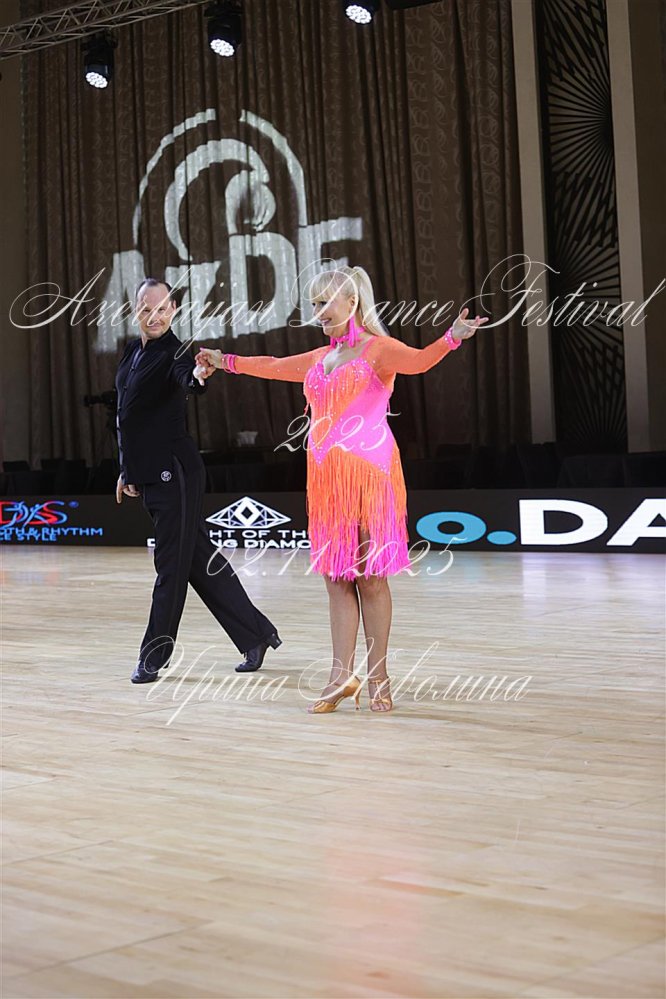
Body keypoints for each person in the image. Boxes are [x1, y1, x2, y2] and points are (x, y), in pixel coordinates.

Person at [196, 266, 487, 713]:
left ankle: (379, 674)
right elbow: (271, 366)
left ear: (352, 303)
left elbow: (419, 361)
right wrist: (224, 360)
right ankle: (340, 676)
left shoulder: (378, 350)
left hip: (370, 476)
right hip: (327, 482)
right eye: (314, 303)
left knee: (370, 578)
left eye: (325, 301)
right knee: (336, 579)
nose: (318, 310)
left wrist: (452, 337)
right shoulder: (319, 358)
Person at [115, 278, 281, 684]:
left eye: (162, 309)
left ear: (173, 310)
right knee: (197, 561)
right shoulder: (132, 351)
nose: (154, 316)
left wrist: (199, 374)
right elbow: (127, 415)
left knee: (170, 566)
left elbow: (186, 377)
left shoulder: (176, 352)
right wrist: (127, 469)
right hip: (149, 473)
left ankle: (153, 656)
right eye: (146, 308)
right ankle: (256, 635)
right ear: (135, 310)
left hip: (175, 473)